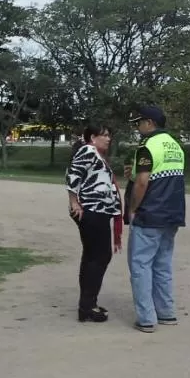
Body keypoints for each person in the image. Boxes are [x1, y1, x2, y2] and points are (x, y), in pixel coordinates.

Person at [124, 105, 185, 334]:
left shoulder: (147, 146)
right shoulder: (175, 146)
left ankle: (146, 318)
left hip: (150, 214)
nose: (137, 127)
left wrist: (132, 208)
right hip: (173, 214)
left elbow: (142, 182)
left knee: (140, 265)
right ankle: (166, 312)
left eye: (139, 122)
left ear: (149, 123)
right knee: (163, 265)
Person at [65, 124, 123, 323]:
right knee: (100, 257)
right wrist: (74, 202)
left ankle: (87, 305)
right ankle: (88, 305)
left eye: (109, 135)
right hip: (92, 211)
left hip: (98, 211)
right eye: (104, 135)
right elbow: (72, 174)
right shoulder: (88, 151)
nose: (108, 139)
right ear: (92, 137)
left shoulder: (95, 154)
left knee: (91, 257)